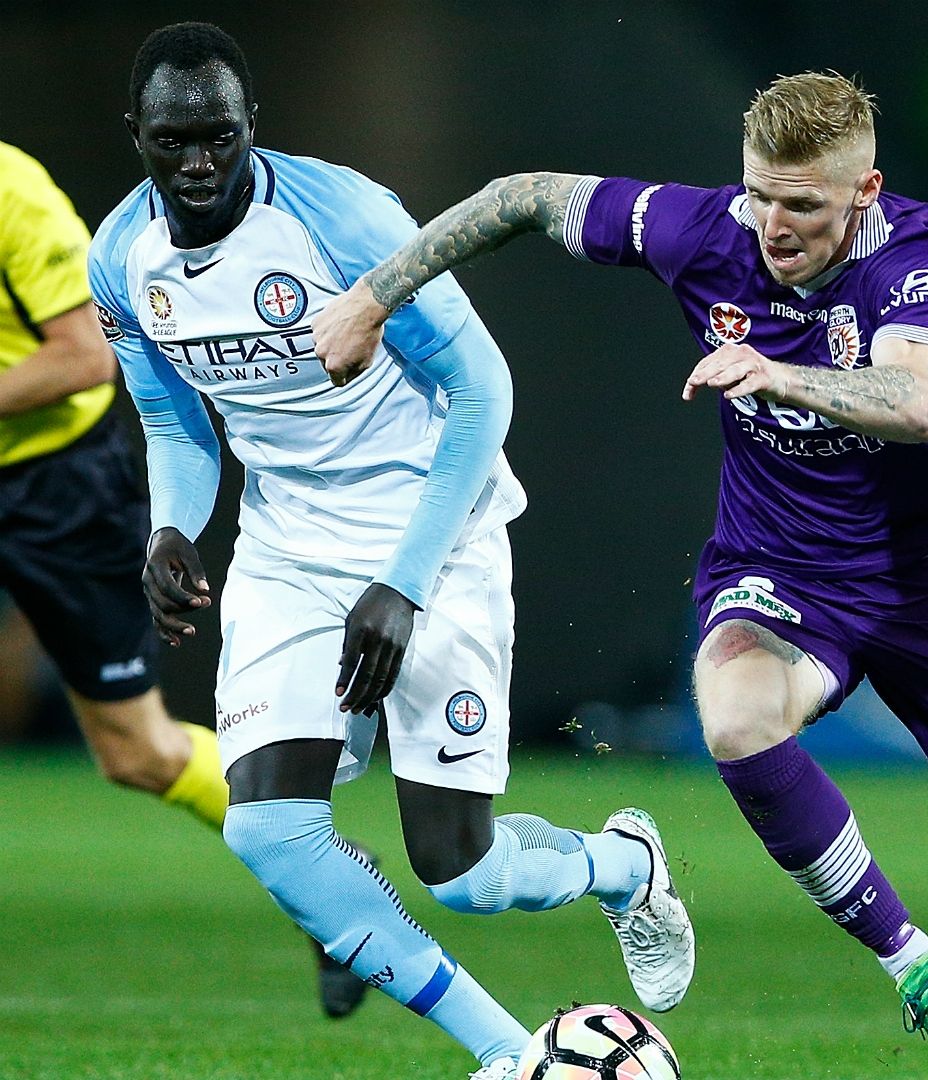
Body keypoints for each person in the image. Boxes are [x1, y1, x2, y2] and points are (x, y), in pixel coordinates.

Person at [313, 72, 928, 1080]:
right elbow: (525, 193)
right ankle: (918, 969)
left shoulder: (912, 253)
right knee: (738, 718)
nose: (775, 225)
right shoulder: (697, 229)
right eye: (761, 194)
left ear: (864, 193)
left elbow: (918, 402)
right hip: (780, 570)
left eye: (804, 204)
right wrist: (371, 295)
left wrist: (778, 372)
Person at [89, 24, 692, 1080]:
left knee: (457, 869)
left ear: (252, 128)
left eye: (218, 139)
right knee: (270, 831)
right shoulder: (120, 260)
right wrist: (174, 527)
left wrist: (403, 585)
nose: (197, 165)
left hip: (432, 533)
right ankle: (512, 1057)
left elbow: (481, 392)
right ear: (134, 133)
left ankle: (619, 861)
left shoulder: (344, 219)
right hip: (286, 546)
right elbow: (177, 421)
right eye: (173, 141)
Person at [1, 134, 380, 1017]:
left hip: (54, 484)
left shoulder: (13, 190)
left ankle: (330, 888)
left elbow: (83, 356)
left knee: (137, 752)